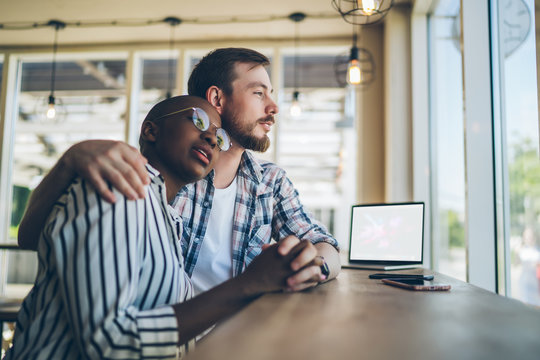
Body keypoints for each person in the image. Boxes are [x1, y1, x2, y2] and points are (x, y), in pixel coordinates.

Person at [6, 95, 320, 359]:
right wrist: (250, 284)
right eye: (197, 121)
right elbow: (109, 342)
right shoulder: (121, 188)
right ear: (151, 130)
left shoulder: (167, 218)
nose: (212, 138)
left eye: (219, 137)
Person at [18, 47, 340, 294]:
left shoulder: (271, 182)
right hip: (160, 340)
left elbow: (326, 245)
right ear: (217, 98)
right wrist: (71, 158)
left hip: (237, 339)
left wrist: (315, 267)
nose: (273, 108)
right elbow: (33, 237)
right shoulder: (167, 173)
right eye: (259, 93)